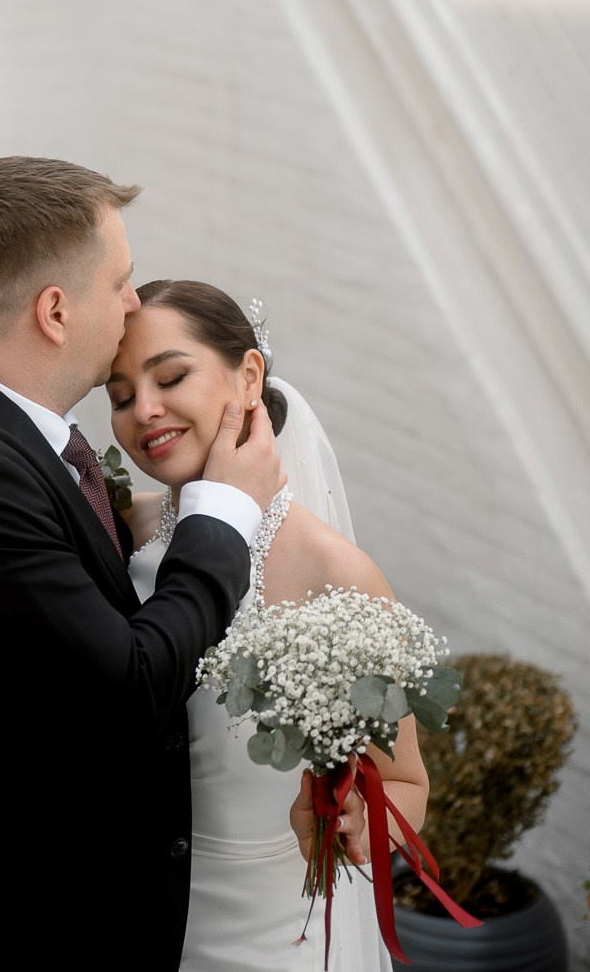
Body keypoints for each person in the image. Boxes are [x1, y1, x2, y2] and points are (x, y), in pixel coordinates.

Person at [0, 157, 290, 971]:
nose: (134, 305)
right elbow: (131, 685)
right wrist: (224, 512)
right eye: (121, 282)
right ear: (54, 309)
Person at [109, 279, 430, 971]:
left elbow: (406, 781)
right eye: (121, 393)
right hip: (139, 915)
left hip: (275, 932)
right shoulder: (120, 529)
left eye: (170, 376)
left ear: (248, 375)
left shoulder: (334, 571)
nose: (145, 409)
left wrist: (348, 823)